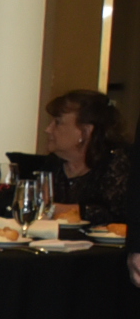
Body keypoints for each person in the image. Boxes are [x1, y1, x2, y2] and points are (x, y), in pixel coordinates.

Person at [23, 89, 130, 223]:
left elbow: (116, 214)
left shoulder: (117, 164)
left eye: (58, 122)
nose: (48, 129)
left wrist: (53, 209)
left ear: (85, 132)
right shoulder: (53, 164)